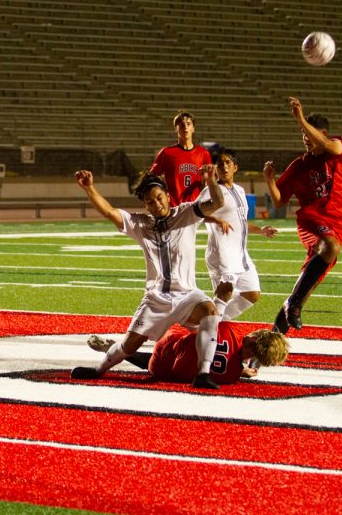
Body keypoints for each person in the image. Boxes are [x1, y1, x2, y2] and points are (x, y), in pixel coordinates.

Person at [70, 167, 226, 389]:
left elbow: (217, 203)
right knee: (129, 345)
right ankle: (98, 370)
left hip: (187, 295)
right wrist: (89, 188)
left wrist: (211, 181)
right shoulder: (141, 223)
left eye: (159, 198)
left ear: (168, 196)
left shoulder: (186, 213)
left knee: (210, 311)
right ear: (145, 205)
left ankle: (203, 373)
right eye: (150, 202)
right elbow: (110, 211)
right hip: (156, 298)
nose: (157, 204)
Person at [264, 97, 342, 334]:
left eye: (308, 133)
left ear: (322, 133)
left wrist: (301, 120)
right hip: (311, 221)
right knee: (331, 247)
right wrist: (270, 181)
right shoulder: (299, 166)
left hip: (335, 224)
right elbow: (280, 200)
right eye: (302, 134)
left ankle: (264, 349)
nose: (305, 138)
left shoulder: (338, 148)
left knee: (303, 292)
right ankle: (293, 304)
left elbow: (326, 143)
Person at [200, 147, 277, 322]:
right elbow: (194, 214)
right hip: (222, 252)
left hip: (240, 253)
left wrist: (261, 230)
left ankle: (213, 323)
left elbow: (239, 222)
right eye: (220, 164)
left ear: (235, 167)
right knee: (225, 292)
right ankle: (211, 331)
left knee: (252, 294)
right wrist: (217, 220)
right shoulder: (210, 190)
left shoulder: (240, 191)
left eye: (228, 163)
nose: (224, 167)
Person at [86, 323, 289, 385]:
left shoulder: (228, 329)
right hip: (160, 372)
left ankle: (122, 347)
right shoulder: (232, 376)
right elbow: (227, 362)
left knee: (185, 328)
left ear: (254, 340)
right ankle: (120, 349)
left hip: (166, 346)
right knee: (186, 359)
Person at [148, 110, 213, 206]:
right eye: (182, 125)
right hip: (173, 207)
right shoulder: (166, 152)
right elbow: (152, 177)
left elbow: (209, 180)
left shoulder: (203, 153)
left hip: (195, 207)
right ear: (176, 129)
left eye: (188, 124)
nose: (185, 127)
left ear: (193, 129)